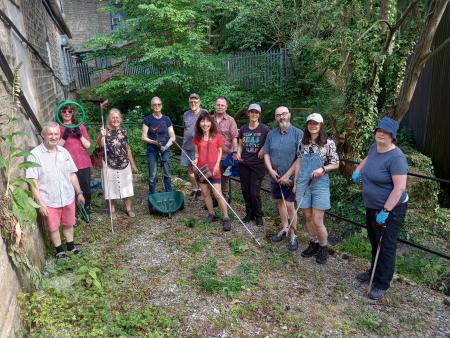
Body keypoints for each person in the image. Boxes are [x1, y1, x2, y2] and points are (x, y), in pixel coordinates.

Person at [352, 116, 408, 300]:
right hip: (372, 205)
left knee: (386, 245)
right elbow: (368, 158)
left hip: (390, 209)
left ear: (393, 136)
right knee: (374, 240)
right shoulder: (374, 148)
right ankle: (373, 272)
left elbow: (399, 188)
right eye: (379, 130)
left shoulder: (397, 157)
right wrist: (358, 170)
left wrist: (386, 211)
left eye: (385, 132)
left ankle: (383, 283)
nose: (381, 134)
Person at [26, 122, 85, 260]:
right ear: (43, 135)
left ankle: (71, 247)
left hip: (67, 196)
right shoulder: (34, 155)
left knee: (69, 223)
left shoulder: (64, 152)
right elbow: (32, 181)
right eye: (50, 134)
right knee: (53, 227)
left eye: (56, 134)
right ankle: (59, 251)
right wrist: (40, 202)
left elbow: (72, 174)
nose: (54, 137)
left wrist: (79, 192)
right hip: (49, 199)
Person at [293, 113, 339, 264]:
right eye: (310, 123)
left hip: (320, 183)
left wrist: (322, 169)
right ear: (307, 125)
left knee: (318, 220)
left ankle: (323, 247)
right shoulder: (302, 142)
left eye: (316, 123)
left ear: (321, 125)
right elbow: (299, 161)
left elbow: (336, 163)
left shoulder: (328, 143)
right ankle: (313, 243)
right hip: (303, 183)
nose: (313, 126)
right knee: (308, 217)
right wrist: (296, 182)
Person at [263, 106, 303, 251]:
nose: (282, 117)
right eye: (278, 115)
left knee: (290, 206)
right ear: (276, 118)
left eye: (284, 114)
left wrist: (288, 175)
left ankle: (293, 234)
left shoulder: (298, 134)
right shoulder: (271, 134)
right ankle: (284, 228)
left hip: (290, 178)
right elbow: (266, 153)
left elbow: (300, 157)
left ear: (289, 115)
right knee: (280, 203)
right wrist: (270, 170)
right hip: (275, 176)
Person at [192, 111, 231, 231]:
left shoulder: (217, 136)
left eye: (207, 121)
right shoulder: (196, 138)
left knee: (218, 194)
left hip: (214, 170)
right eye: (202, 121)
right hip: (201, 169)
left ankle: (226, 218)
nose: (205, 124)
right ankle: (211, 214)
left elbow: (220, 152)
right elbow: (197, 153)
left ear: (211, 122)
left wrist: (216, 165)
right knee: (205, 193)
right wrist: (195, 160)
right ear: (199, 123)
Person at [98, 108, 139, 219]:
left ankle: (128, 208)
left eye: (117, 117)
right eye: (113, 118)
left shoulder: (123, 131)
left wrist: (133, 164)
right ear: (109, 120)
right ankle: (112, 210)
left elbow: (127, 148)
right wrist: (102, 135)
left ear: (120, 119)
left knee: (127, 187)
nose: (115, 120)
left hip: (124, 163)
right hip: (109, 163)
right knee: (110, 187)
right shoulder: (105, 131)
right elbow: (100, 145)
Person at [236, 103, 270, 226]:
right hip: (244, 163)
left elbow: (270, 144)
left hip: (258, 165)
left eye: (256, 112)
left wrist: (264, 149)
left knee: (254, 192)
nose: (254, 114)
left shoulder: (265, 129)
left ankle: (258, 215)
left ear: (259, 114)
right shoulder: (243, 129)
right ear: (248, 113)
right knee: (245, 191)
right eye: (252, 112)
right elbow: (240, 144)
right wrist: (238, 154)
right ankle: (249, 214)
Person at [58, 104, 93, 221]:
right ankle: (74, 215)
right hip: (66, 165)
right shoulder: (57, 128)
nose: (67, 113)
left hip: (83, 162)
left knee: (86, 189)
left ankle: (86, 210)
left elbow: (88, 145)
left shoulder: (80, 126)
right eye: (64, 110)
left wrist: (80, 135)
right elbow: (55, 148)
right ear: (60, 112)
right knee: (70, 191)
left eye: (70, 111)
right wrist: (64, 137)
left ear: (73, 113)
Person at [142, 96, 176, 195]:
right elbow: (144, 137)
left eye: (159, 104)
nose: (157, 106)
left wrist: (165, 147)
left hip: (165, 149)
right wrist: (154, 142)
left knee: (167, 173)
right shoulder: (147, 119)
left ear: (162, 105)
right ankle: (152, 196)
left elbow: (172, 136)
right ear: (151, 106)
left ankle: (169, 194)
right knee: (152, 175)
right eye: (154, 105)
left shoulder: (166, 119)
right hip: (152, 149)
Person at [212, 96, 239, 203]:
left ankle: (224, 199)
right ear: (215, 105)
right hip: (212, 155)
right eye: (218, 105)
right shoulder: (209, 119)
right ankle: (214, 199)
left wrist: (235, 152)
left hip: (226, 155)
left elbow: (235, 137)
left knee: (225, 179)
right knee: (212, 176)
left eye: (222, 105)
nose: (220, 107)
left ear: (226, 107)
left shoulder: (231, 120)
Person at [181, 93, 208, 198]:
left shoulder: (204, 113)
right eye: (191, 102)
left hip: (200, 147)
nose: (193, 103)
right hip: (187, 146)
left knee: (201, 169)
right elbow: (185, 128)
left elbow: (208, 128)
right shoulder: (186, 114)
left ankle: (202, 189)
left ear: (199, 102)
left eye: (195, 101)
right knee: (190, 169)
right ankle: (195, 188)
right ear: (189, 103)